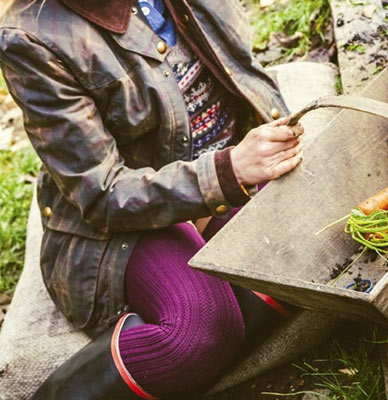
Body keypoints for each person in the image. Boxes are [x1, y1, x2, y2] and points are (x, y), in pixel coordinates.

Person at [0, 0, 307, 398]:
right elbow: (102, 193)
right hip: (118, 219)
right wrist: (227, 172)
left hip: (227, 168)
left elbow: (239, 65)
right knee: (201, 330)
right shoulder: (31, 37)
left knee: (308, 239)